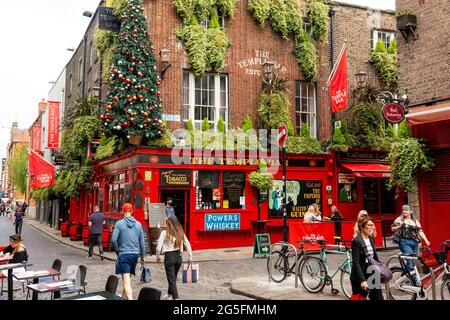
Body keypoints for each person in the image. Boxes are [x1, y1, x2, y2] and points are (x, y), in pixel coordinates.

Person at [111, 203, 146, 300]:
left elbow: (113, 240)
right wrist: (143, 256)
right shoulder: (138, 224)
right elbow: (142, 242)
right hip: (134, 255)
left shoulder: (119, 224)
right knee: (126, 280)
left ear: (122, 211)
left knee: (126, 282)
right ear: (132, 211)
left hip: (124, 255)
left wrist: (118, 251)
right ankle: (123, 298)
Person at [156, 215, 193, 300]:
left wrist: (157, 256)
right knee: (173, 278)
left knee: (172, 279)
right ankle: (169, 295)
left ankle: (176, 298)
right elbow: (187, 244)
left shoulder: (164, 233)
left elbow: (158, 248)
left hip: (169, 257)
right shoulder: (180, 232)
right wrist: (190, 257)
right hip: (178, 257)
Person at [392, 205, 430, 278]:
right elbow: (392, 229)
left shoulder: (415, 221)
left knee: (412, 260)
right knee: (410, 261)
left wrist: (426, 240)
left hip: (414, 243)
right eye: (403, 210)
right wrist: (399, 226)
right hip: (404, 242)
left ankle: (405, 275)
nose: (404, 211)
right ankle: (415, 280)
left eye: (406, 210)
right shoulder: (399, 219)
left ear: (411, 211)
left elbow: (420, 231)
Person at [350, 216, 384, 300]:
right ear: (362, 227)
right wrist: (362, 280)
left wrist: (380, 269)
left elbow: (374, 257)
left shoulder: (371, 238)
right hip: (360, 274)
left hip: (372, 271)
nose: (372, 228)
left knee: (378, 297)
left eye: (372, 225)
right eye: (369, 225)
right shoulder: (356, 241)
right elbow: (356, 262)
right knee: (360, 298)